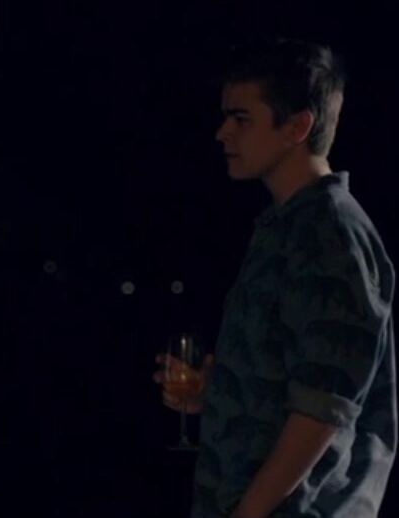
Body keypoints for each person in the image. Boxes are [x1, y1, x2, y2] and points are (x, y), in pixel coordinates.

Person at [154, 38, 396, 517]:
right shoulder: (287, 227)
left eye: (241, 118)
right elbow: (292, 378)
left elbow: (323, 408)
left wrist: (249, 514)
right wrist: (215, 395)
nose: (222, 133)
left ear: (298, 126)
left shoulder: (330, 231)